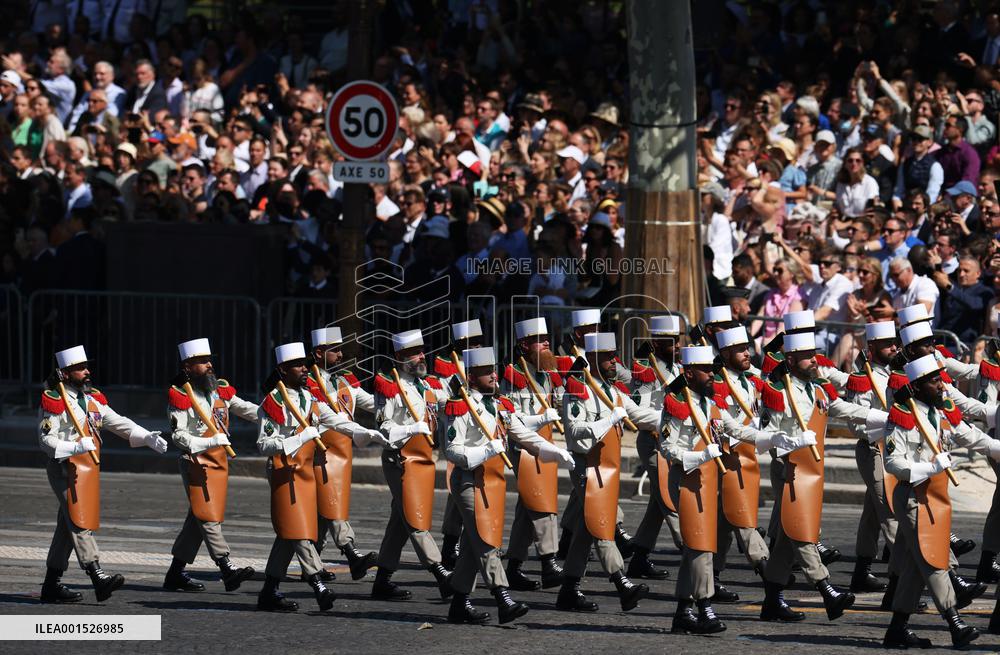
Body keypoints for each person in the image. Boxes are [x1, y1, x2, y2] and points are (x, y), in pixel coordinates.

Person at [759, 330, 887, 622]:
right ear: (790, 359)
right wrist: (790, 441)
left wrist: (884, 417)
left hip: (811, 470)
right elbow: (765, 436)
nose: (814, 360)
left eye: (814, 354)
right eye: (806, 356)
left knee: (785, 539)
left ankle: (772, 601)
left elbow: (841, 407)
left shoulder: (817, 387)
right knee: (801, 530)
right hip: (789, 469)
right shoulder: (778, 391)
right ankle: (826, 588)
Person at [443, 346, 573, 625]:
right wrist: (485, 450)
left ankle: (459, 604)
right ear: (470, 376)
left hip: (493, 481)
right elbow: (452, 451)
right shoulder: (459, 406)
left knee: (472, 543)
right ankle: (503, 597)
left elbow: (523, 433)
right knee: (486, 540)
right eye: (485, 372)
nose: (493, 375)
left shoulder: (500, 405)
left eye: (494, 370)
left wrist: (554, 452)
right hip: (468, 481)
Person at [881, 354, 1000, 648]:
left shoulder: (941, 412)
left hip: (936, 495)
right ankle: (954, 622)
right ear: (919, 386)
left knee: (913, 565)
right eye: (935, 382)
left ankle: (897, 629)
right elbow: (892, 462)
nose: (942, 387)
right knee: (933, 560)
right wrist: (929, 467)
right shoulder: (903, 415)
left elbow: (973, 437)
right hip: (913, 496)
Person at [255, 342, 385, 612]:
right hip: (283, 472)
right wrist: (296, 439)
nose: (305, 369)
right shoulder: (273, 402)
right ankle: (318, 584)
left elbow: (336, 420)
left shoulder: (309, 399)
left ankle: (269, 590)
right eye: (298, 365)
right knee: (299, 529)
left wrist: (366, 432)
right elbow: (263, 444)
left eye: (305, 364)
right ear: (282, 369)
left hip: (305, 472)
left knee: (290, 533)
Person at [38, 345, 168, 603]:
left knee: (67, 526)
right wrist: (73, 446)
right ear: (65, 373)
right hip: (65, 467)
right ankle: (97, 575)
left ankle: (51, 585)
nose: (87, 372)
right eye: (81, 368)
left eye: (87, 367)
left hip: (87, 468)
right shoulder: (54, 399)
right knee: (79, 519)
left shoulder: (92, 399)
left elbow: (118, 422)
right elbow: (45, 439)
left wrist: (146, 437)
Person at [558, 332, 659, 613]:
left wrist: (672, 418)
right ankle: (621, 582)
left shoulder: (611, 389)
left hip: (607, 466)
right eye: (607, 356)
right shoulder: (577, 388)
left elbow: (638, 414)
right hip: (587, 465)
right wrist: (607, 421)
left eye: (614, 355)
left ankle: (568, 589)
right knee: (602, 525)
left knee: (585, 528)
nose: (614, 361)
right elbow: (575, 431)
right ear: (592, 357)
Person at [164, 338, 257, 593]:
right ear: (187, 366)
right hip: (195, 460)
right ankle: (227, 567)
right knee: (207, 515)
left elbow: (247, 409)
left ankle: (175, 573)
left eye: (209, 360)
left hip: (219, 460)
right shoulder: (181, 395)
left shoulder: (219, 389)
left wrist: (275, 418)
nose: (209, 365)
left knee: (198, 517)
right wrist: (210, 440)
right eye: (203, 362)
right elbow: (178, 435)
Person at [371, 329, 453, 601]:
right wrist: (411, 428)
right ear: (399, 357)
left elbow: (448, 404)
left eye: (422, 351)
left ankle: (381, 580)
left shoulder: (427, 385)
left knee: (401, 518)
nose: (421, 357)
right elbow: (383, 428)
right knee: (415, 516)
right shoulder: (390, 386)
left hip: (424, 459)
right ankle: (440, 571)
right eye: (414, 353)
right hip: (400, 459)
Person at [305, 327, 380, 580]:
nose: (340, 354)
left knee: (324, 509)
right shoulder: (308, 383)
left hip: (342, 451)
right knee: (332, 501)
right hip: (320, 452)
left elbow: (370, 402)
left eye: (340, 349)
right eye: (334, 350)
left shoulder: (344, 380)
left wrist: (395, 411)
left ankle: (312, 565)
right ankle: (352, 553)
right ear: (318, 353)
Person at [499, 318, 567, 591]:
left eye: (547, 337)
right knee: (542, 503)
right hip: (525, 448)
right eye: (540, 339)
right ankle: (549, 561)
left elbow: (560, 401)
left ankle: (514, 566)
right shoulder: (514, 376)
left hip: (546, 444)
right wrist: (540, 420)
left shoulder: (548, 372)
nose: (547, 342)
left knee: (528, 506)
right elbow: (509, 419)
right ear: (525, 345)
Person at [843, 322, 898, 595]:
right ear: (872, 347)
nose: (894, 347)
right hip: (873, 449)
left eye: (895, 342)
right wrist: (887, 425)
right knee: (891, 514)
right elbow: (855, 423)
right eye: (888, 344)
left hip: (894, 452)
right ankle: (901, 585)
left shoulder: (897, 373)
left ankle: (861, 573)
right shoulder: (862, 377)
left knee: (872, 516)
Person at [627, 316, 684, 579]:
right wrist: (667, 419)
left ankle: (638, 557)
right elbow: (638, 413)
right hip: (654, 442)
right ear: (656, 342)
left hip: (674, 442)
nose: (677, 345)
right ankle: (692, 545)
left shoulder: (677, 367)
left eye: (678, 340)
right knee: (670, 500)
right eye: (670, 341)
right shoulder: (645, 371)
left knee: (658, 502)